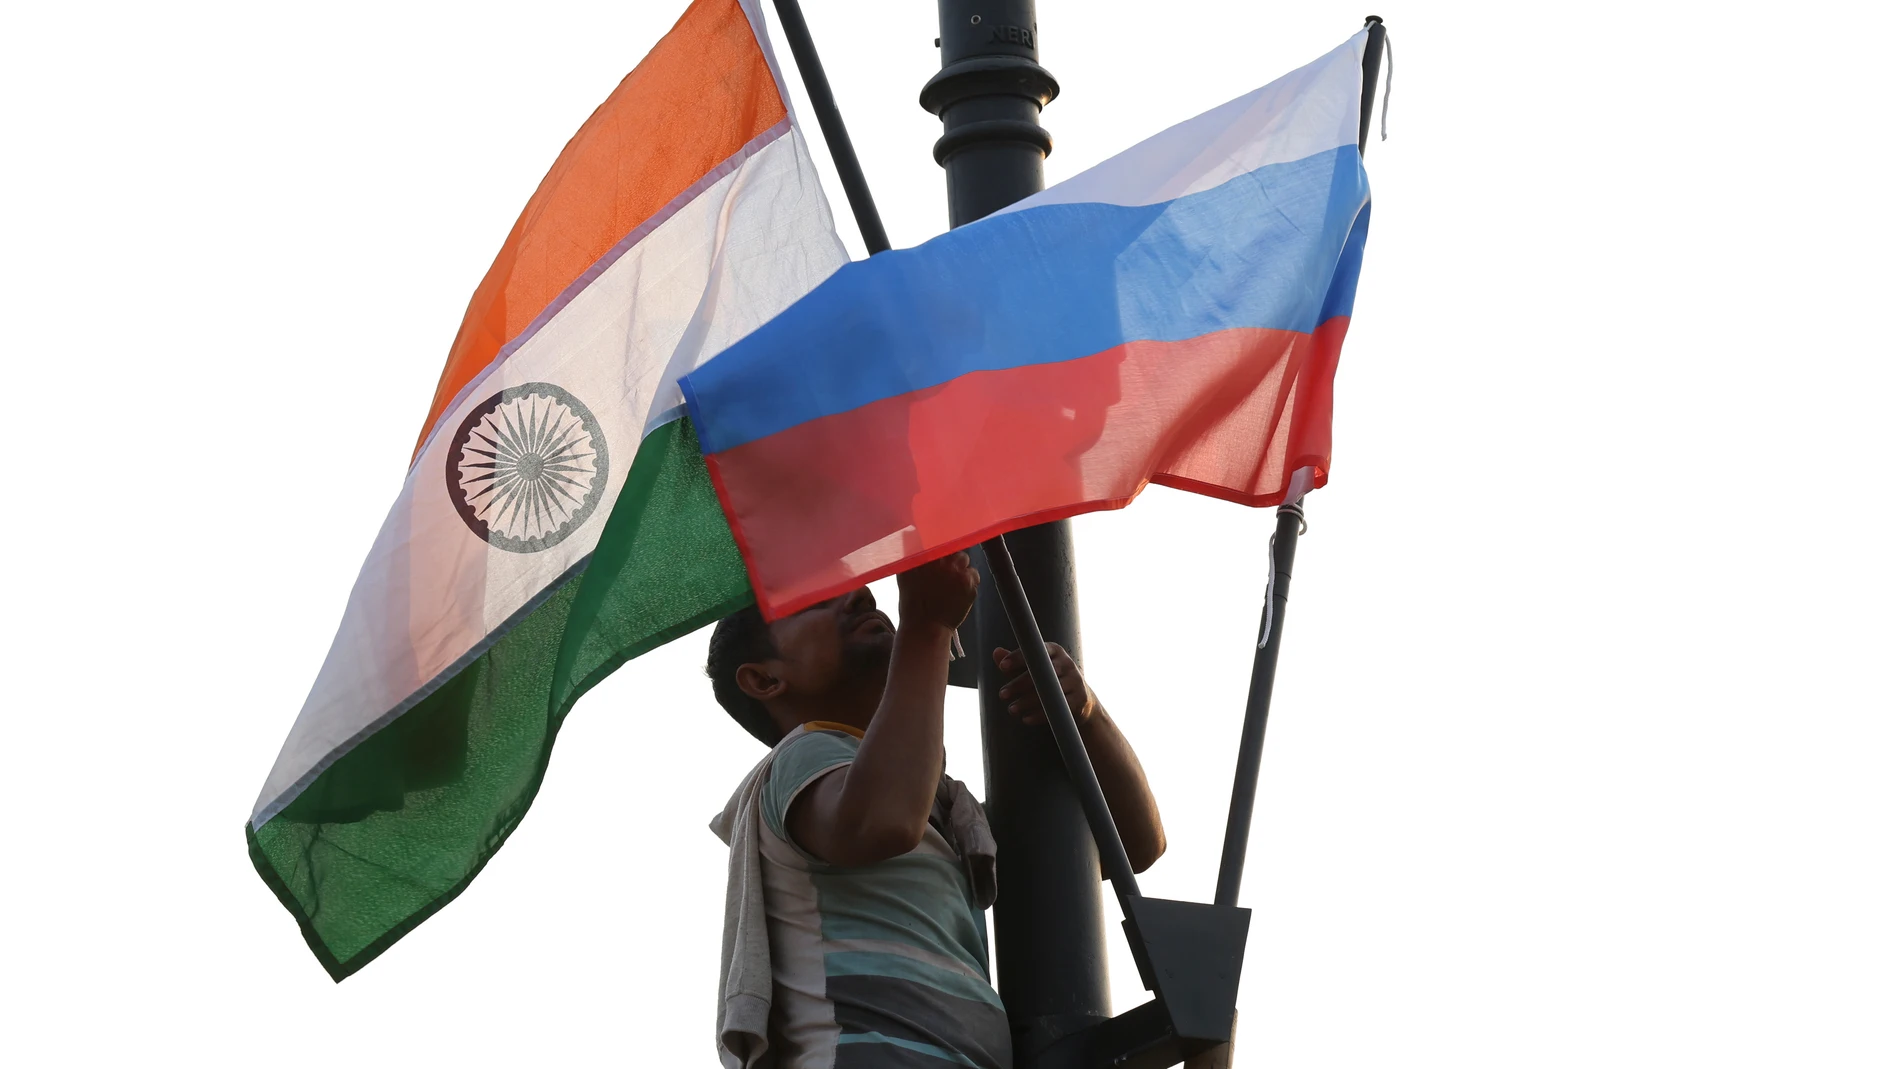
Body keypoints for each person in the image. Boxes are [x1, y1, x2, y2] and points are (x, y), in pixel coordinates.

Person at [706, 552, 1166, 1069]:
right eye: (815, 603)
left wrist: (1086, 714)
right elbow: (883, 821)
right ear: (765, 681)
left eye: (862, 594)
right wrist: (926, 626)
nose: (861, 596)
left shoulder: (950, 816)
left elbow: (1134, 845)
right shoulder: (801, 758)